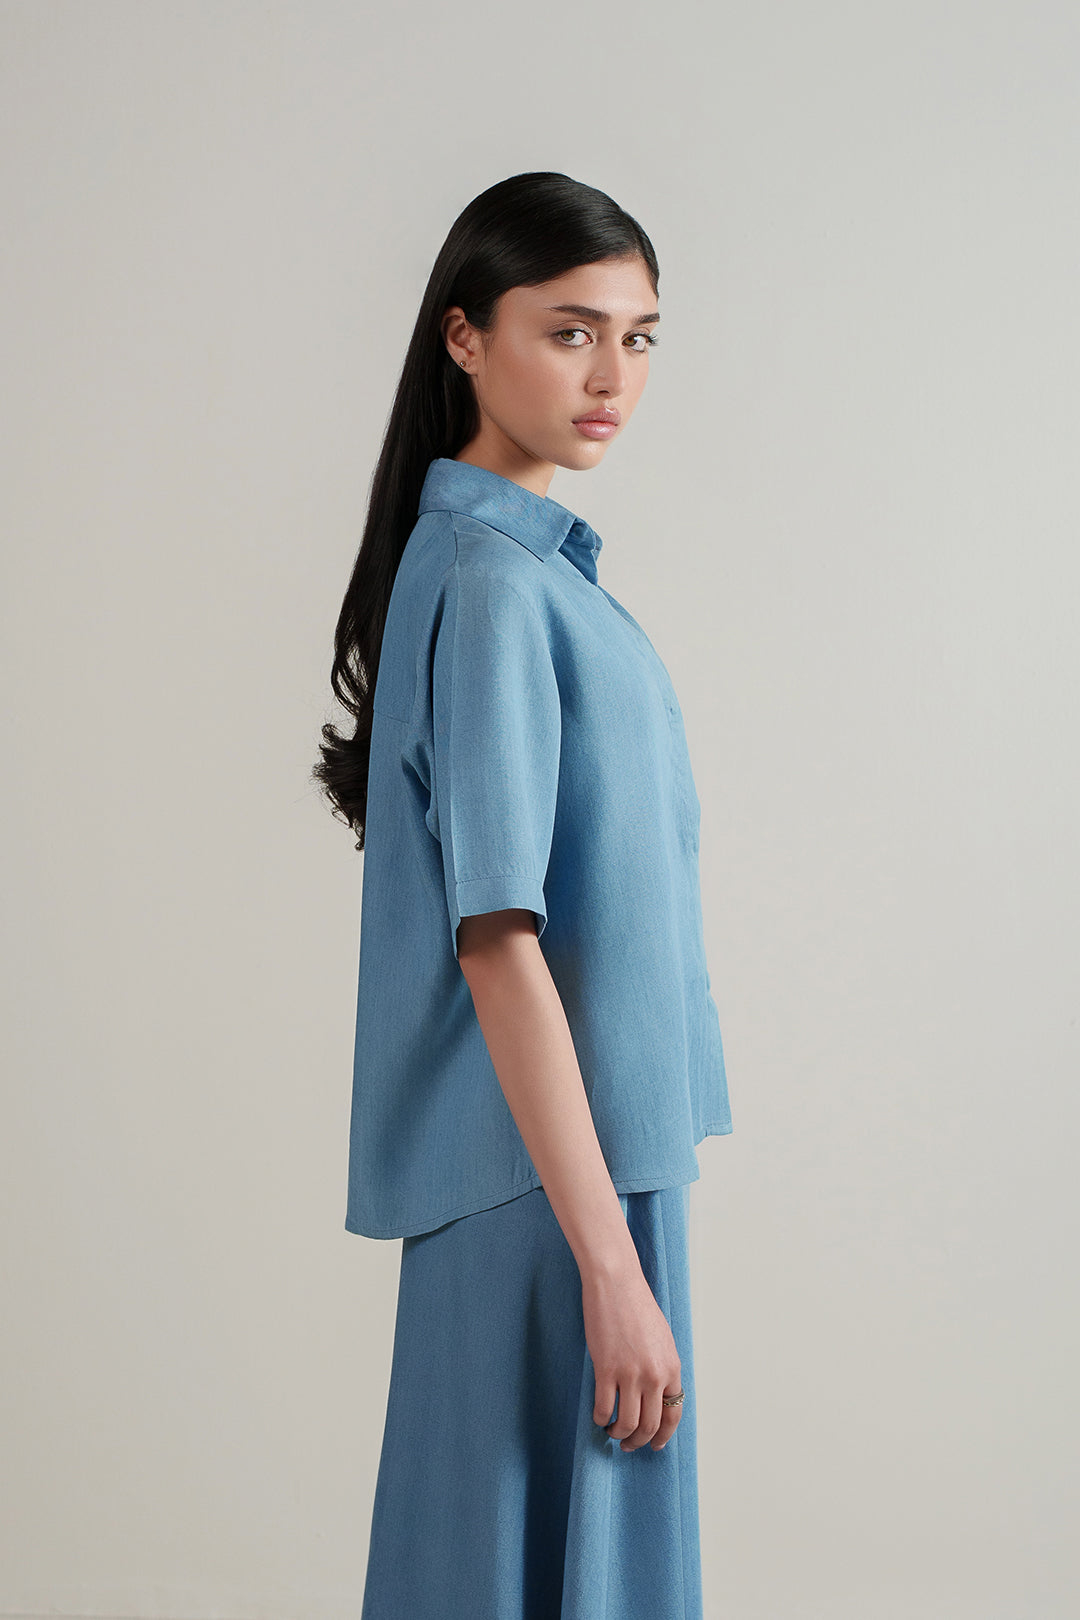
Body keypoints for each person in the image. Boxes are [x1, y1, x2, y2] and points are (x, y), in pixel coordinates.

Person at [313, 171, 733, 1620]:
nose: (613, 376)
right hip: (552, 1191)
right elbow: (498, 943)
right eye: (570, 331)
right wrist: (609, 1265)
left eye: (639, 336)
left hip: (580, 1169)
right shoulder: (495, 585)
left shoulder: (521, 572)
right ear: (465, 338)